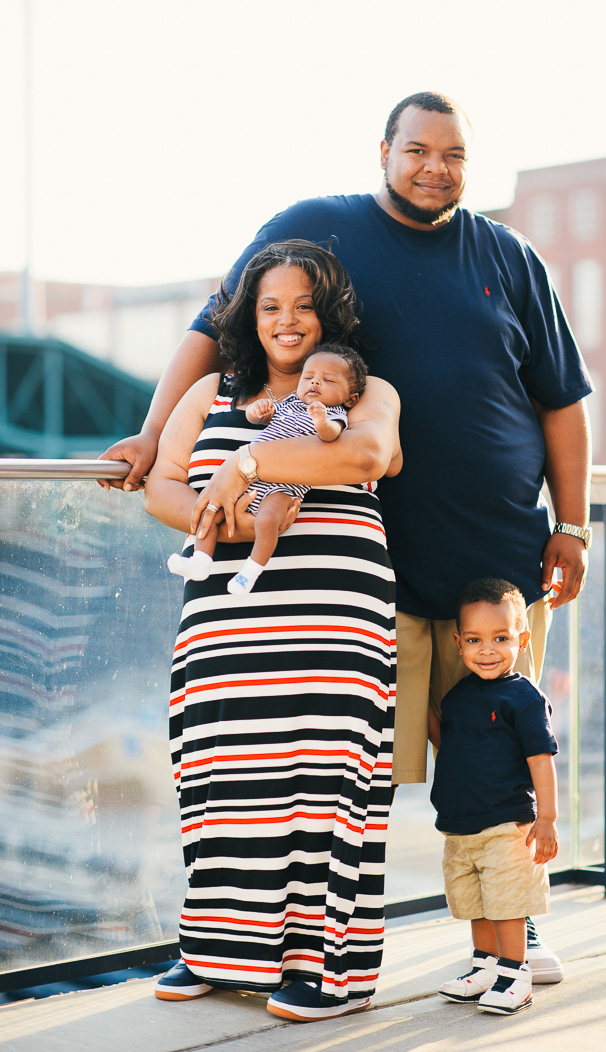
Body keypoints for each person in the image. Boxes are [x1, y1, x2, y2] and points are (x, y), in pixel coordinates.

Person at [101, 91, 592, 980]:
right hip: (374, 570)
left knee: (501, 756)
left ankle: (517, 931)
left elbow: (561, 399)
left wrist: (573, 523)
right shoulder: (315, 229)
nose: (434, 167)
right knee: (354, 773)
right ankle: (261, 947)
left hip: (499, 562)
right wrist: (149, 429)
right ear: (384, 150)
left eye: (453, 155)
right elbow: (214, 327)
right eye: (417, 150)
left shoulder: (509, 257)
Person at [143, 240, 401, 1022]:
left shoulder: (362, 391)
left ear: (329, 315)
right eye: (270, 306)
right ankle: (216, 950)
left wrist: (250, 462)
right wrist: (218, 520)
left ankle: (326, 975)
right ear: (246, 317)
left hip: (334, 614)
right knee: (222, 780)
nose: (287, 322)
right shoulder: (210, 391)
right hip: (226, 615)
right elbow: (159, 482)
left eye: (303, 306)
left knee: (324, 786)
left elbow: (372, 452)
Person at [429, 578, 558, 1015]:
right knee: (476, 904)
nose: (488, 650)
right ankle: (484, 967)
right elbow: (449, 745)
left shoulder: (523, 697)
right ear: (458, 644)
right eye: (475, 640)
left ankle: (515, 974)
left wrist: (547, 819)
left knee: (506, 904)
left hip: (507, 825)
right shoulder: (458, 696)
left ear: (522, 640)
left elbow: (541, 759)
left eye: (501, 638)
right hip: (460, 826)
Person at [166, 344, 368, 596]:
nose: (315, 383)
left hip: (286, 483)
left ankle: (251, 570)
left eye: (327, 380)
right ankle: (200, 561)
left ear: (350, 398)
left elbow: (331, 435)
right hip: (249, 479)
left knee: (268, 520)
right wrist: (257, 412)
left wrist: (322, 422)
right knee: (214, 512)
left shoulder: (335, 413)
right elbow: (259, 420)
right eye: (308, 377)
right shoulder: (291, 403)